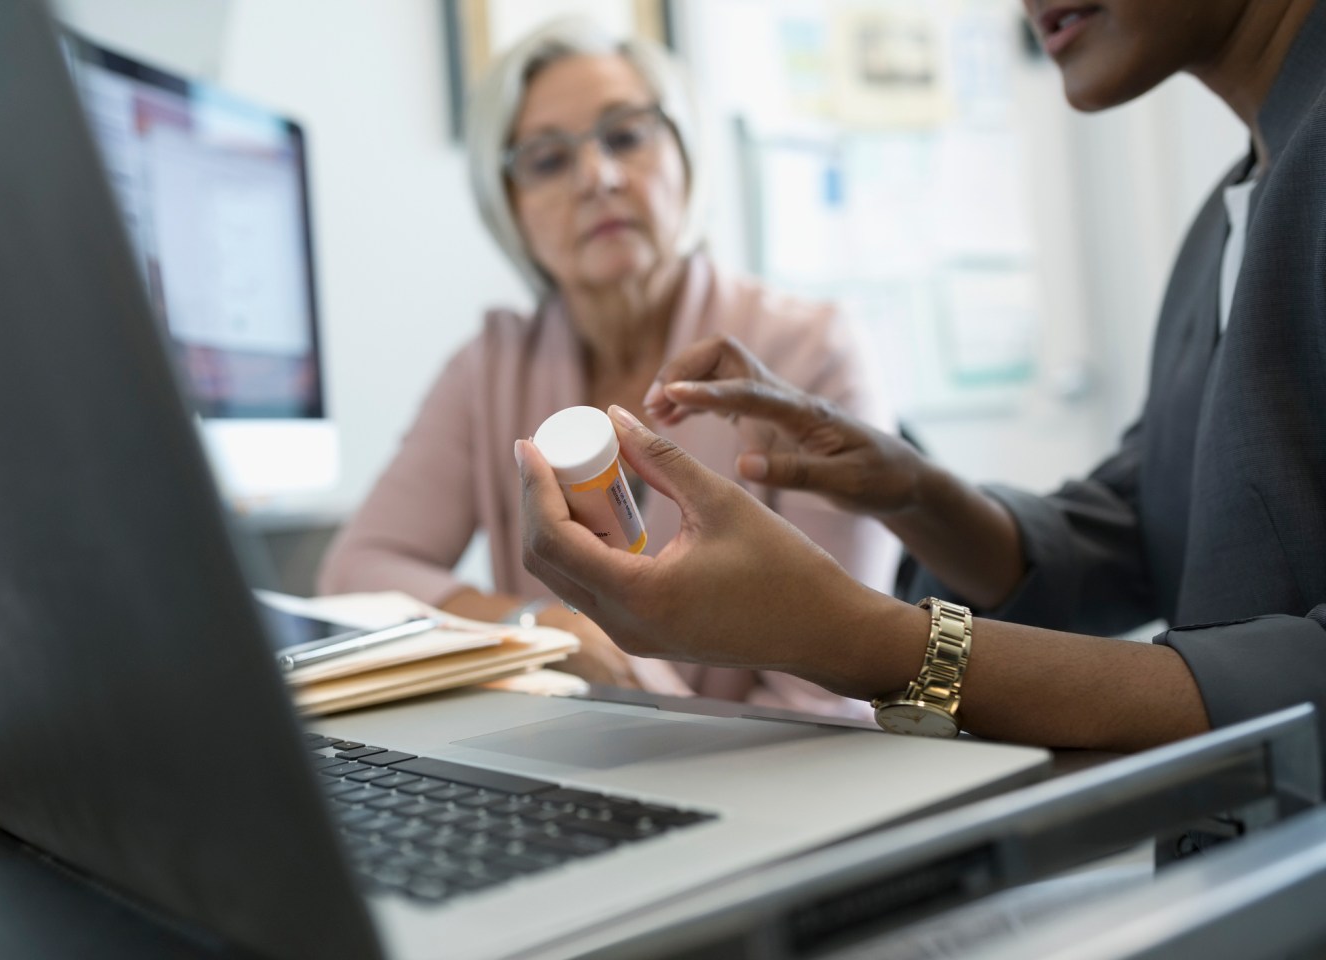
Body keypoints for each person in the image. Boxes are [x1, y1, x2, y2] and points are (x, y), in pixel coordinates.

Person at [518, 0, 1326, 755]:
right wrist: (910, 489)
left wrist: (852, 636)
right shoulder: (1235, 210)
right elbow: (1150, 532)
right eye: (546, 160)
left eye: (625, 137)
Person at [317, 19, 899, 715]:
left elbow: (831, 693)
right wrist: (542, 627)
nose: (598, 177)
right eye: (548, 161)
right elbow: (355, 574)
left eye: (625, 135)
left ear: (685, 154)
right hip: (574, 768)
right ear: (510, 208)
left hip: (779, 775)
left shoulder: (812, 350)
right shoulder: (488, 369)